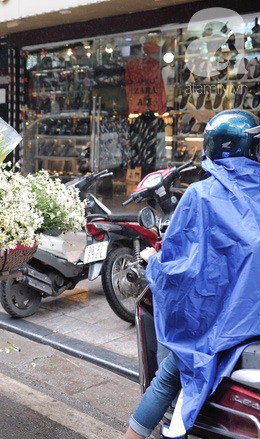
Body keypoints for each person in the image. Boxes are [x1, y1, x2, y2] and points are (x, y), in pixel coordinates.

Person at [123, 109, 260, 438]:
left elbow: (179, 268)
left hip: (229, 328)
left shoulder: (200, 195)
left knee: (171, 371)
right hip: (252, 321)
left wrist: (153, 262)